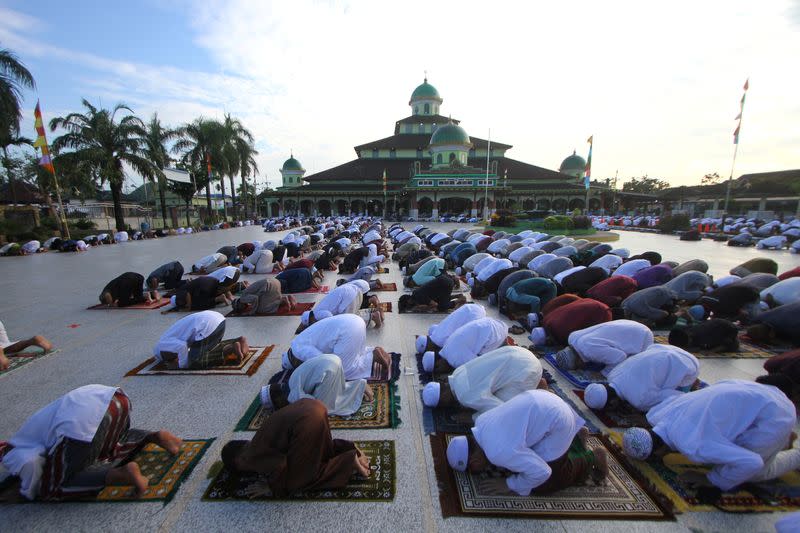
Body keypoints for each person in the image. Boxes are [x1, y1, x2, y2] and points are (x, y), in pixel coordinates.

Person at [1, 384, 182, 500]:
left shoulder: (10, 451)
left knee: (51, 488)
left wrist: (27, 493)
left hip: (82, 423)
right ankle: (153, 436)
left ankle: (122, 474)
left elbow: (29, 462)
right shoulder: (27, 432)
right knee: (109, 447)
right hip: (116, 399)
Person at [622, 380, 800, 491]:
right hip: (756, 390)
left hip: (777, 415)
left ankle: (795, 455)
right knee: (729, 449)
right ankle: (782, 441)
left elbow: (752, 462)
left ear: (659, 452)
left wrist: (711, 479)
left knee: (755, 472)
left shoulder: (694, 446)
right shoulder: (657, 414)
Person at [446, 390, 608, 495]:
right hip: (547, 400)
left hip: (559, 421)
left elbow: (543, 472)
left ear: (474, 462)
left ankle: (592, 457)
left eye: (474, 469)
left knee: (543, 484)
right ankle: (576, 438)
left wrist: (509, 484)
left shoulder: (498, 452)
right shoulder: (480, 422)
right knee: (527, 459)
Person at [220, 399, 370, 498]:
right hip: (314, 406)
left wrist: (270, 487)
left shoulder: (249, 456)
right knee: (322, 451)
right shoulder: (256, 440)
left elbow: (279, 464)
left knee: (296, 482)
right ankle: (351, 448)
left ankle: (348, 460)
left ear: (238, 462)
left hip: (306, 424)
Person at [422, 345, 546, 419]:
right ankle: (536, 384)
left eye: (443, 405)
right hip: (520, 352)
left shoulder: (465, 396)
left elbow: (500, 410)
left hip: (528, 370)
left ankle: (544, 392)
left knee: (508, 414)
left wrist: (473, 417)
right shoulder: (457, 372)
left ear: (442, 399)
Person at [583, 344, 700, 412]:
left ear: (613, 403)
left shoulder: (639, 401)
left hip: (688, 366)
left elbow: (674, 397)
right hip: (665, 348)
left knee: (680, 404)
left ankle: (693, 382)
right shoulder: (612, 374)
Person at [283, 314, 390, 380]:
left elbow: (327, 362)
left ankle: (372, 357)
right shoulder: (298, 341)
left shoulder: (300, 351)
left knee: (341, 372)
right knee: (357, 353)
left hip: (348, 331)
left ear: (294, 361)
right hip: (355, 321)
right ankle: (372, 351)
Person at [260, 355, 371, 417]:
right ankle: (359, 385)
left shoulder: (292, 395)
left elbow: (311, 403)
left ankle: (358, 387)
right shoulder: (291, 380)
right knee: (337, 390)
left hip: (328, 370)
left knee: (321, 409)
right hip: (334, 360)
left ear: (278, 400)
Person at [153, 310, 248, 369]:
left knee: (195, 362)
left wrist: (181, 366)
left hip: (207, 326)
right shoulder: (166, 338)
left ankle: (230, 349)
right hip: (217, 320)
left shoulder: (162, 345)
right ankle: (238, 341)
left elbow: (181, 346)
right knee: (207, 349)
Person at [552, 319, 654, 373]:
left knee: (633, 369)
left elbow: (620, 357)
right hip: (628, 324)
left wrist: (603, 374)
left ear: (577, 360)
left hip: (642, 336)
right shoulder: (572, 337)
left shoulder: (589, 350)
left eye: (577, 366)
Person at [421, 317, 508, 375]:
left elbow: (478, 367)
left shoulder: (455, 360)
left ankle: (508, 349)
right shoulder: (446, 347)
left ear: (438, 364)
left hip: (496, 334)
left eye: (439, 371)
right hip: (490, 322)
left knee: (489, 365)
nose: (442, 372)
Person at [298, 280, 382, 331]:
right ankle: (373, 311)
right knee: (353, 315)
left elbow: (329, 317)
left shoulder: (317, 314)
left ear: (311, 320)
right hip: (352, 290)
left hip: (349, 296)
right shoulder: (317, 310)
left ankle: (373, 316)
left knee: (348, 320)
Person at [529, 298, 613, 347]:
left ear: (547, 338)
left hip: (600, 310)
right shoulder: (546, 320)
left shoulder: (560, 333)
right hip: (588, 301)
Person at [415, 303, 486, 354]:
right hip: (471, 307)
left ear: (429, 347)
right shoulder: (435, 332)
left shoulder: (442, 342)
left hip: (475, 316)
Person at [398, 275, 467, 313]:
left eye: (408, 306)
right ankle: (458, 295)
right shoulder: (416, 294)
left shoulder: (419, 297)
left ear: (409, 301)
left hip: (446, 284)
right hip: (444, 280)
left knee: (442, 307)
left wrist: (423, 308)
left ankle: (461, 300)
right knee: (439, 299)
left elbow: (435, 305)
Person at [668, 317, 740, 352]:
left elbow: (724, 345)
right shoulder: (688, 330)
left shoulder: (706, 339)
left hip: (730, 330)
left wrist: (710, 351)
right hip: (715, 323)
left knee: (732, 346)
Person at [231, 278, 296, 316]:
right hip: (275, 281)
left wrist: (251, 312)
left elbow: (255, 298)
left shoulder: (243, 298)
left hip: (269, 285)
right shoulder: (244, 294)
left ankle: (284, 300)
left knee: (262, 309)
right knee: (268, 301)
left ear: (239, 305)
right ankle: (284, 299)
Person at [166, 276, 231, 312]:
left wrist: (188, 307)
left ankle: (218, 298)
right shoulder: (180, 291)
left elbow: (187, 294)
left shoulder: (180, 294)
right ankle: (220, 298)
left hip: (204, 288)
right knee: (198, 301)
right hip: (211, 282)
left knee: (198, 304)